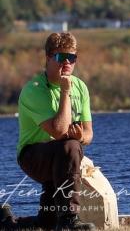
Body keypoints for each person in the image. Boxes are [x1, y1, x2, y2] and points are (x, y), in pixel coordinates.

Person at [15, 33, 95, 231]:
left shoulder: (81, 87)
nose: (67, 63)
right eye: (61, 57)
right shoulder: (34, 89)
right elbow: (59, 132)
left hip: (62, 158)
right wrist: (65, 91)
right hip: (33, 156)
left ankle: (7, 221)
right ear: (48, 58)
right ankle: (69, 219)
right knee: (70, 146)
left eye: (72, 58)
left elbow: (88, 134)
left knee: (46, 224)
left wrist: (81, 137)